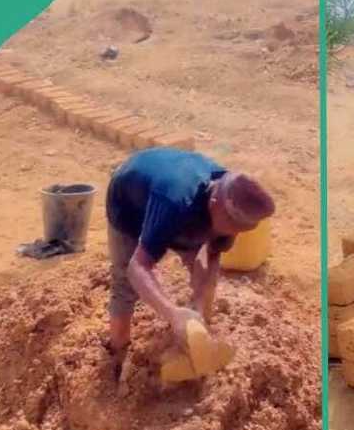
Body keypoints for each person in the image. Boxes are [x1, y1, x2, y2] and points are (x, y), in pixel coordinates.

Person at [105, 147, 275, 354]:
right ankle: (117, 346)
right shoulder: (176, 200)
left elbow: (213, 255)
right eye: (230, 227)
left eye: (240, 229)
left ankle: (198, 325)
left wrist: (201, 303)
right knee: (125, 281)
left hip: (182, 204)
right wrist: (172, 314)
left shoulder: (233, 198)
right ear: (214, 203)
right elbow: (137, 267)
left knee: (199, 264)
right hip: (129, 203)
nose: (234, 233)